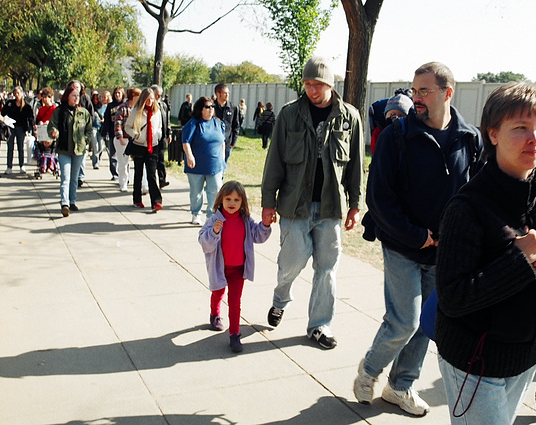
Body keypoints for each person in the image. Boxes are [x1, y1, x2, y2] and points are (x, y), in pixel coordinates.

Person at [435, 82, 536, 425]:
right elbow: (453, 297)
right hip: (474, 362)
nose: (534, 138)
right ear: (492, 134)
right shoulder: (467, 206)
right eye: (520, 128)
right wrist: (521, 261)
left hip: (529, 353)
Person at [353, 62, 482, 416]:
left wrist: (460, 237)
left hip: (444, 253)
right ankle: (369, 371)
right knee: (405, 320)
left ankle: (401, 386)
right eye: (414, 90)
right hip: (402, 245)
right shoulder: (397, 136)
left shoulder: (469, 138)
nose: (416, 97)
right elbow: (378, 197)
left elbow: (477, 193)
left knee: (428, 324)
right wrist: (415, 235)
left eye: (424, 90)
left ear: (447, 93)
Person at [261, 56, 364, 349]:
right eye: (307, 84)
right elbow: (274, 163)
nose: (312, 90)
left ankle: (320, 325)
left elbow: (356, 165)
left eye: (317, 84)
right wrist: (268, 202)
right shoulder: (289, 115)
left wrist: (355, 205)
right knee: (291, 262)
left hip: (331, 207)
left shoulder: (350, 117)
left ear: (330, 84)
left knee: (327, 268)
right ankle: (281, 298)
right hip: (295, 206)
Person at [198, 180, 273, 353]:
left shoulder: (245, 220)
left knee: (234, 301)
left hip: (239, 269)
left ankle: (234, 335)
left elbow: (258, 236)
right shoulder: (215, 220)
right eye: (228, 199)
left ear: (243, 202)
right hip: (220, 267)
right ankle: (214, 314)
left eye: (237, 200)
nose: (232, 203)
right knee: (218, 292)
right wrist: (214, 232)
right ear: (221, 200)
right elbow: (204, 243)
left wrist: (266, 224)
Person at [47, 86, 92, 217]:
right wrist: (53, 132)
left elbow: (89, 129)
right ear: (67, 97)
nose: (76, 98)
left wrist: (85, 140)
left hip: (79, 150)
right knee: (65, 178)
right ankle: (64, 203)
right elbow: (52, 126)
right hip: (64, 149)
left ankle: (72, 201)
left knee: (74, 178)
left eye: (78, 96)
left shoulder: (83, 112)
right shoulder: (59, 111)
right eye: (73, 95)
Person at [182, 96, 226, 225]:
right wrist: (190, 156)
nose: (211, 109)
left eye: (212, 107)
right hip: (196, 165)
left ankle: (211, 215)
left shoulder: (218, 123)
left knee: (216, 190)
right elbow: (186, 142)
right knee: (196, 192)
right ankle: (196, 213)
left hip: (215, 165)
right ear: (200, 109)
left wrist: (222, 159)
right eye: (207, 107)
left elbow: (222, 142)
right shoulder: (193, 123)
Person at [124, 88, 163, 212]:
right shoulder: (136, 111)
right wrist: (135, 134)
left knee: (151, 174)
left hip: (153, 146)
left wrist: (157, 135)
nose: (150, 102)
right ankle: (137, 199)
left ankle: (156, 202)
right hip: (139, 145)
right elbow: (127, 127)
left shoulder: (157, 112)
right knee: (138, 174)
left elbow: (159, 127)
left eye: (152, 99)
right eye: (148, 99)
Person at [2, 86, 34, 174]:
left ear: (22, 94)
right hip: (11, 128)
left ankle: (21, 165)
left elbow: (30, 117)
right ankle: (9, 166)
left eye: (18, 93)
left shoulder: (26, 106)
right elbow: (3, 113)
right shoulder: (10, 103)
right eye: (15, 93)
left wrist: (32, 127)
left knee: (20, 147)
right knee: (10, 147)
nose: (16, 95)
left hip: (21, 128)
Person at [114, 88, 141, 192]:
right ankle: (123, 183)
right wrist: (120, 138)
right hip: (123, 139)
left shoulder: (138, 108)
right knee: (123, 163)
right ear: (133, 96)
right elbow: (118, 124)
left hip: (134, 139)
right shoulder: (122, 108)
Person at [213, 83, 240, 163]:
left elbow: (236, 125)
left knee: (223, 166)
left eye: (228, 93)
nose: (227, 95)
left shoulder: (233, 108)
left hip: (227, 143)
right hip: (213, 143)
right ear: (218, 94)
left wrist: (233, 143)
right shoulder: (211, 107)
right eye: (225, 93)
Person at [103, 87, 125, 181]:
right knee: (113, 155)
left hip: (123, 134)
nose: (117, 95)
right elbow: (107, 120)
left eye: (119, 93)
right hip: (112, 133)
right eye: (116, 93)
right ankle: (114, 173)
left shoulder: (125, 105)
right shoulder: (110, 106)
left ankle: (123, 174)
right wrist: (106, 132)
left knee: (123, 155)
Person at [151, 84, 170, 189]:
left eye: (160, 95)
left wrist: (169, 133)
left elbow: (167, 120)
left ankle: (162, 180)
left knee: (161, 159)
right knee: (153, 160)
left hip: (162, 137)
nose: (158, 97)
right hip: (152, 137)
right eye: (157, 94)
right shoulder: (148, 105)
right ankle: (152, 181)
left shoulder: (163, 105)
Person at [89, 91, 107, 169]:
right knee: (95, 146)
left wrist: (104, 120)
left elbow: (106, 116)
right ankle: (96, 163)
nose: (95, 100)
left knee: (101, 146)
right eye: (94, 99)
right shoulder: (91, 107)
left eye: (97, 99)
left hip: (101, 128)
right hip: (93, 127)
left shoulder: (102, 107)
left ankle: (94, 157)